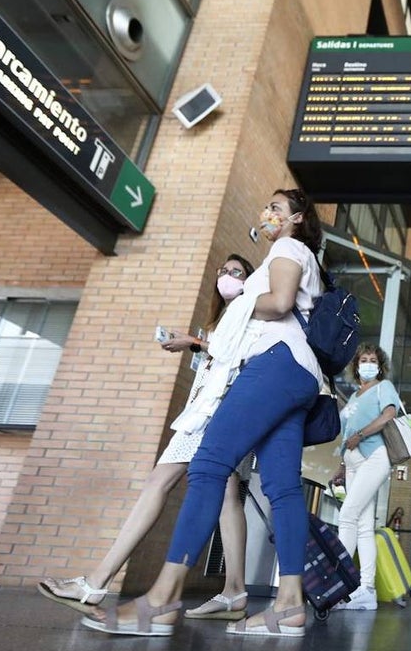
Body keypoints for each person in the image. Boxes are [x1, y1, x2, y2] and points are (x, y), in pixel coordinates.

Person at [82, 187, 327, 637]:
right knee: (283, 488)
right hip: (298, 374)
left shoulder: (290, 248)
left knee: (209, 464)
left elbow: (281, 302)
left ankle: (162, 599)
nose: (266, 211)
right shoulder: (297, 253)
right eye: (266, 204)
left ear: (297, 218)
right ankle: (290, 605)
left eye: (275, 207)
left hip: (274, 364)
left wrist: (240, 306)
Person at [38, 254, 256, 620]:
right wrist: (199, 345)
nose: (228, 277)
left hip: (225, 412)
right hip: (200, 412)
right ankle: (234, 591)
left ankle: (96, 582)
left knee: (208, 490)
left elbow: (245, 358)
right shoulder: (219, 319)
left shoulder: (252, 312)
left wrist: (195, 343)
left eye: (237, 273)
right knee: (221, 494)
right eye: (224, 271)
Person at [328, 343, 400, 611]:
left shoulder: (384, 387)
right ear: (356, 366)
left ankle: (340, 584)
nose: (368, 363)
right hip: (353, 463)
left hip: (374, 457)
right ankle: (366, 589)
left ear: (379, 366)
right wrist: (341, 466)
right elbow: (347, 436)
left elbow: (389, 415)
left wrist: (362, 435)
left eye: (373, 360)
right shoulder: (355, 396)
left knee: (347, 515)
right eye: (363, 360)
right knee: (363, 526)